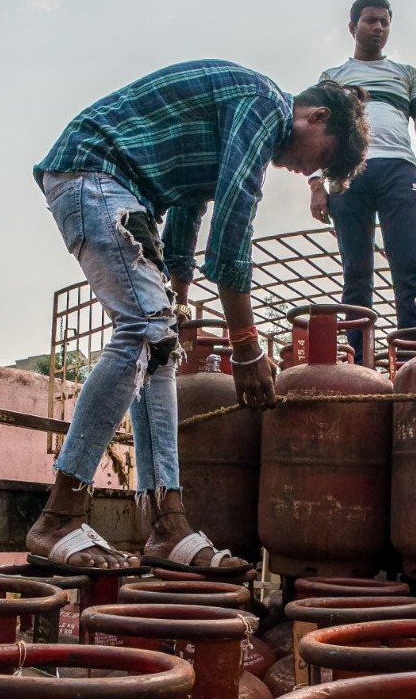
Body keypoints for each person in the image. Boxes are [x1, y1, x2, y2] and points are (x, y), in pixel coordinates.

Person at [29, 60, 369, 573]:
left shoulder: (244, 115)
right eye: (323, 159)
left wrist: (177, 294)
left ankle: (168, 524)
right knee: (143, 333)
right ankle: (58, 516)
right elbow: (233, 226)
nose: (308, 173)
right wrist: (247, 346)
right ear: (316, 117)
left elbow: (190, 207)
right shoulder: (265, 105)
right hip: (94, 172)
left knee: (160, 348)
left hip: (120, 188)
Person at [310, 0, 416, 360]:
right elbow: (313, 131)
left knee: (409, 266)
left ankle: (412, 355)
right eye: (370, 20)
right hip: (347, 174)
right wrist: (316, 183)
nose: (378, 27)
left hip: (399, 169)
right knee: (356, 271)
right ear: (353, 26)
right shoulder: (333, 78)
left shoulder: (407, 75)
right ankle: (359, 359)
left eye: (384, 21)